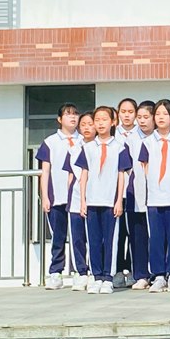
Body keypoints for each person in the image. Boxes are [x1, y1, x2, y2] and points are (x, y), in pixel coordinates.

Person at [75, 106, 133, 295]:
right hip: (92, 200)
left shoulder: (119, 147)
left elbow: (121, 175)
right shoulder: (88, 147)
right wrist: (82, 201)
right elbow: (84, 174)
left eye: (104, 120)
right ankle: (96, 276)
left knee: (110, 241)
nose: (100, 124)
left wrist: (119, 201)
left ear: (113, 122)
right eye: (97, 120)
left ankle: (108, 277)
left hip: (110, 201)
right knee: (93, 241)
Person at [140, 99, 170, 293]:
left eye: (165, 114)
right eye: (158, 114)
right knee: (156, 237)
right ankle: (159, 275)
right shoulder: (147, 142)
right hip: (154, 196)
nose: (161, 117)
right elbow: (145, 166)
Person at [36, 103, 80, 291]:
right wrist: (45, 196)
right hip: (57, 197)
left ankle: (80, 271)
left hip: (77, 197)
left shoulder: (84, 140)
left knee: (78, 237)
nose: (73, 117)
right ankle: (56, 272)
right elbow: (45, 171)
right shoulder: (50, 142)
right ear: (60, 119)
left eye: (75, 114)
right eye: (68, 114)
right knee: (58, 237)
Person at [63, 111, 96, 290]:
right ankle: (81, 272)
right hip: (76, 197)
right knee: (77, 237)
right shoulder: (74, 148)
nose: (86, 128)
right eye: (83, 125)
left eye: (90, 124)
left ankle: (93, 271)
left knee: (94, 237)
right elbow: (70, 175)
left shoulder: (100, 146)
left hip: (95, 196)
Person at [125, 100, 155, 289]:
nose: (142, 121)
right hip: (136, 191)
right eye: (139, 117)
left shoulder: (162, 137)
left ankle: (159, 273)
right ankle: (141, 274)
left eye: (146, 117)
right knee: (138, 235)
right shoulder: (130, 138)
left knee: (157, 235)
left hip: (159, 193)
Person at [112, 97, 141, 288]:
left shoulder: (142, 134)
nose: (127, 115)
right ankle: (116, 270)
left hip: (134, 190)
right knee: (118, 234)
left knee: (134, 233)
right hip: (115, 192)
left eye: (131, 112)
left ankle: (131, 270)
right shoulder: (112, 134)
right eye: (123, 112)